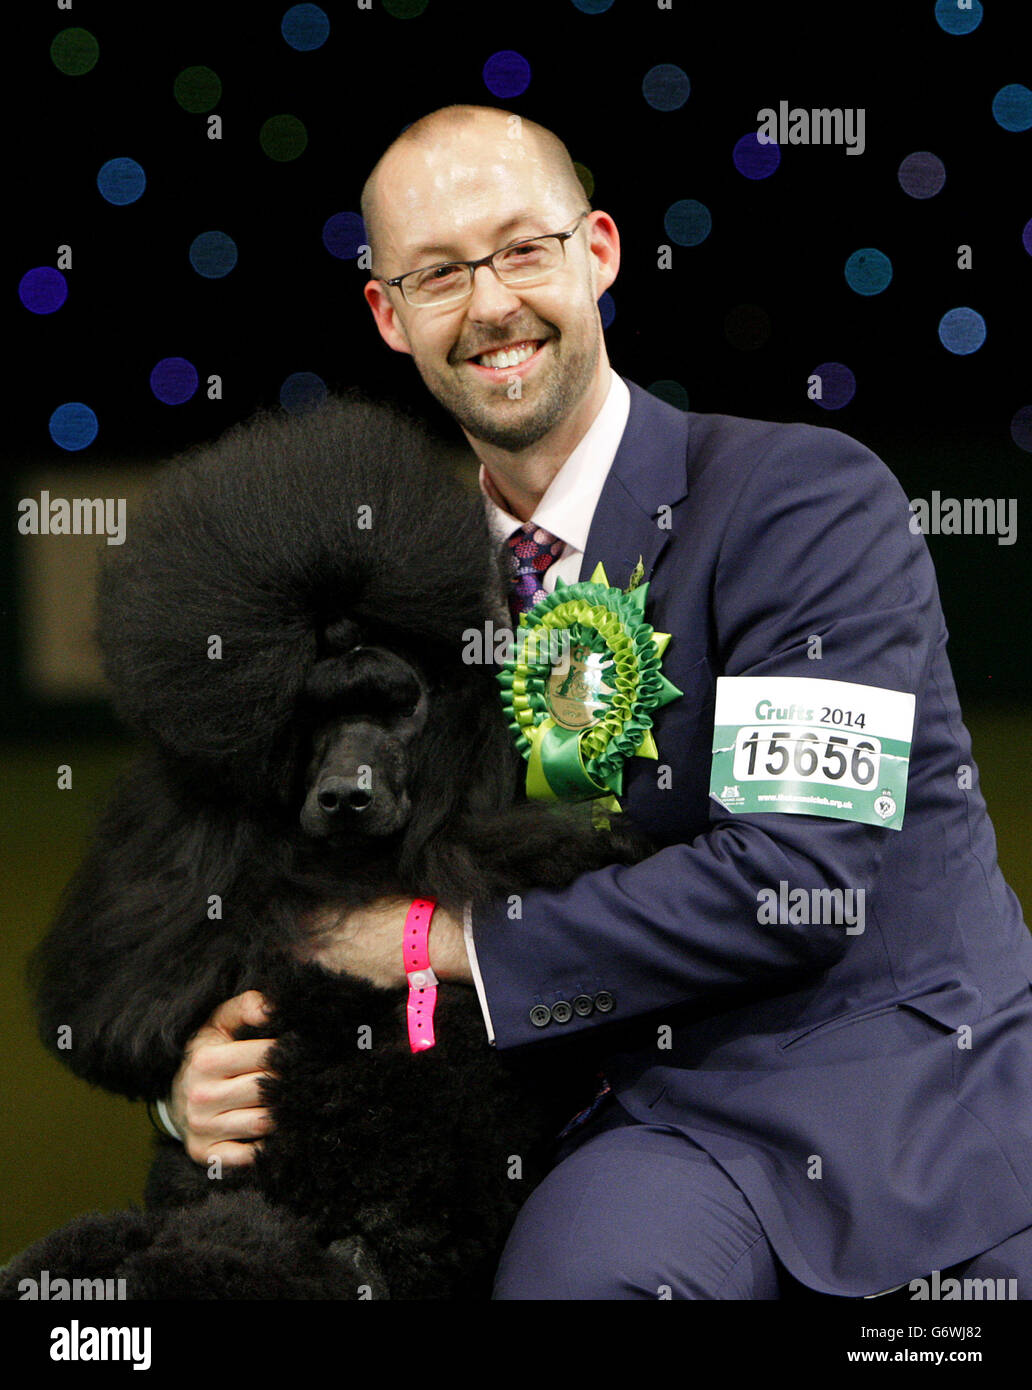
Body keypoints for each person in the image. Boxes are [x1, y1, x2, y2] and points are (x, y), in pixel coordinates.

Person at [166, 104, 1032, 1299]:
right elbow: (303, 882)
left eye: (523, 249)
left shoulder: (806, 501)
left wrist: (448, 942)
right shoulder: (397, 595)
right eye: (438, 274)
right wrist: (208, 1077)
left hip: (898, 1100)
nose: (490, 304)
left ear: (601, 252)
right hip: (628, 1131)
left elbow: (803, 878)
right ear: (389, 315)